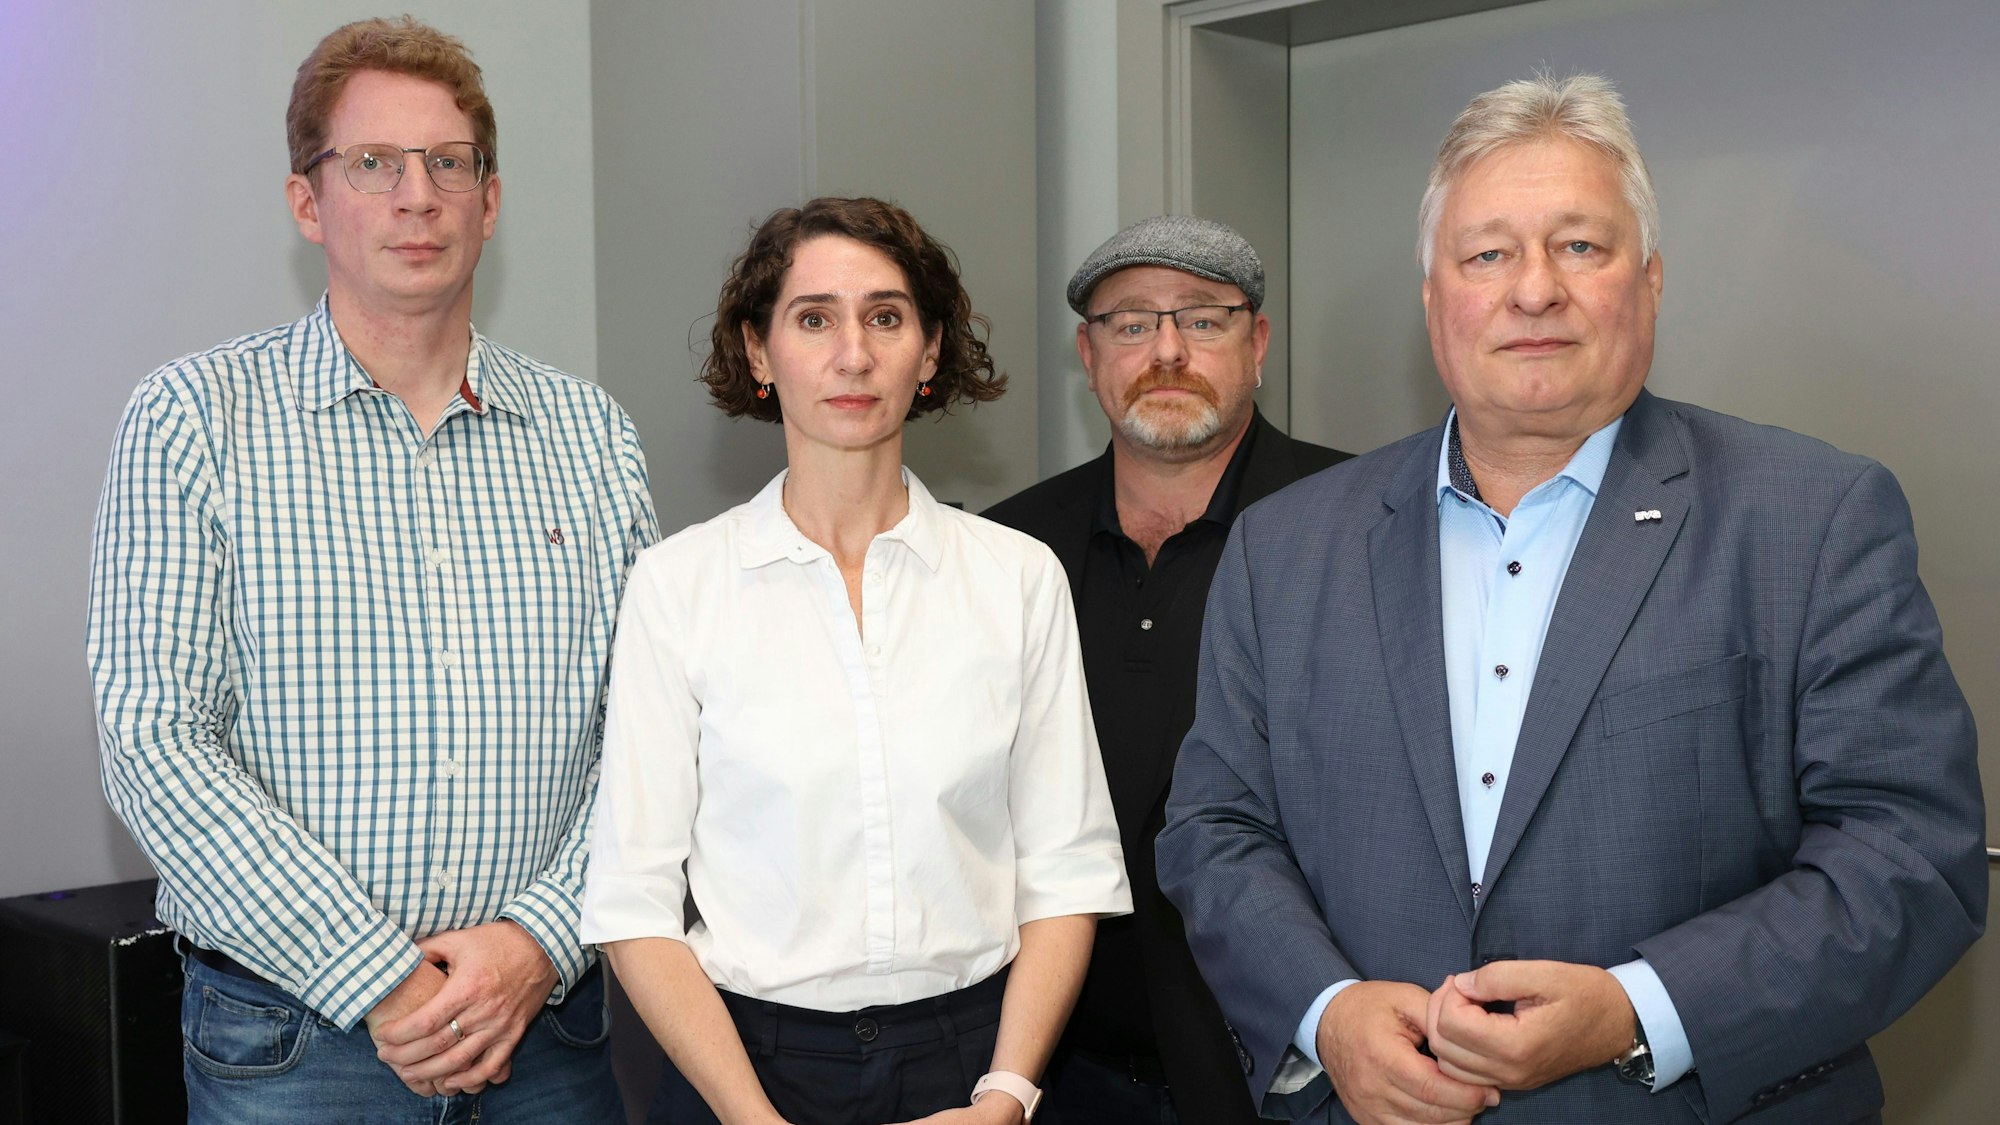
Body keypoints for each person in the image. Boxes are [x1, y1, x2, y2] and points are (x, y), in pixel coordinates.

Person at [1155, 72, 1985, 1125]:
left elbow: (1910, 857)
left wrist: (1634, 1008)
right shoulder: (1287, 544)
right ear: (1433, 301)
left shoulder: (1810, 519)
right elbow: (1215, 827)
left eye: (1578, 247)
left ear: (1646, 283)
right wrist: (1326, 1013)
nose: (1532, 289)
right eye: (1487, 253)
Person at [85, 17, 651, 1121]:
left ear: (490, 201)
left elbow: (649, 737)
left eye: (449, 164)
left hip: (544, 1030)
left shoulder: (591, 438)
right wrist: (380, 980)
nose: (417, 195)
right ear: (309, 203)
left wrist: (533, 943)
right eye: (373, 164)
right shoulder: (195, 422)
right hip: (298, 1044)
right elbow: (154, 741)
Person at [581, 196, 1132, 1125]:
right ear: (758, 353)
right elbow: (633, 903)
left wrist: (1005, 1095)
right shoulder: (678, 586)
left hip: (978, 1062)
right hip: (739, 1065)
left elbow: (1068, 869)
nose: (853, 353)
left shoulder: (1016, 577)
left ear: (929, 351)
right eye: (813, 318)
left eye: (885, 316)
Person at [985, 215, 1348, 1123]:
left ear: (1258, 342)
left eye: (1204, 318)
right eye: (1133, 324)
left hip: (1289, 1072)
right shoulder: (1004, 551)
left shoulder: (1361, 524)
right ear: (1088, 351)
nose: (1169, 350)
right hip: (1051, 1075)